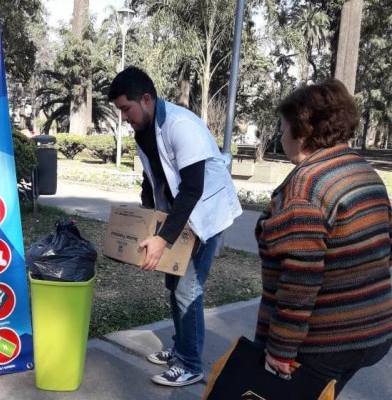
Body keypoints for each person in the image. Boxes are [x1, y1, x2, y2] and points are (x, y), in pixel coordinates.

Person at [255, 80, 392, 396]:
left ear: (302, 131)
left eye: (283, 127)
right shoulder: (364, 172)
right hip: (373, 332)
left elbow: (299, 280)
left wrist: (280, 349)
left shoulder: (306, 186)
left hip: (324, 342)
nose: (280, 135)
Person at [108, 66, 242, 387]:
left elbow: (193, 189)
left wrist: (163, 239)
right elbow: (151, 177)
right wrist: (147, 219)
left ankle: (190, 363)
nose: (124, 117)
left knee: (187, 289)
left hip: (205, 214)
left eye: (126, 108)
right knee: (174, 283)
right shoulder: (143, 131)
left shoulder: (181, 126)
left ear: (146, 99)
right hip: (179, 215)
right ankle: (181, 347)